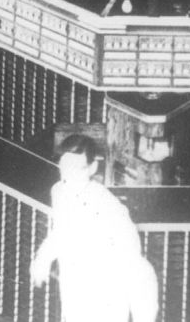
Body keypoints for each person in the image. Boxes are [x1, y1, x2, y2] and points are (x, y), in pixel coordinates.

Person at [29, 135, 155, 322]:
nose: (69, 177)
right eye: (65, 168)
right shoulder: (59, 191)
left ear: (92, 168)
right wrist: (42, 260)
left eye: (77, 169)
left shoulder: (107, 203)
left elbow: (132, 254)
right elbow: (61, 231)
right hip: (73, 288)